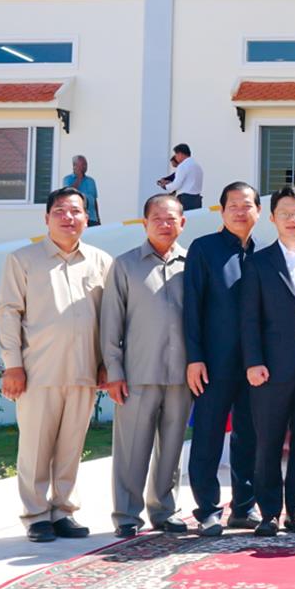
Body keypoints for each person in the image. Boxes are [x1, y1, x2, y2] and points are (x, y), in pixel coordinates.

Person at [0, 187, 113, 542]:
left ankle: (63, 511)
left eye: (76, 211)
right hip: (37, 372)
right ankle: (35, 515)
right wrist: (12, 365)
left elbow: (111, 319)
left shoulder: (100, 261)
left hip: (84, 372)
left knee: (71, 447)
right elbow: (8, 313)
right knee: (34, 446)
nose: (69, 218)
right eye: (60, 211)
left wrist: (108, 364)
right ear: (46, 218)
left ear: (87, 218)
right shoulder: (23, 260)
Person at [99, 193, 191, 538]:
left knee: (172, 447)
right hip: (138, 373)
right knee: (131, 447)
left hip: (182, 373)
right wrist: (114, 371)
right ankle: (126, 514)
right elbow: (111, 324)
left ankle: (165, 510)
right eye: (158, 219)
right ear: (145, 223)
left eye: (172, 219)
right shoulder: (125, 265)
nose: (165, 225)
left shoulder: (192, 263)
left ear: (183, 222)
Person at [241, 186, 295, 537]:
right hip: (271, 368)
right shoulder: (259, 263)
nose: (292, 219)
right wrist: (253, 361)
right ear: (273, 218)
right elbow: (248, 317)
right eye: (285, 213)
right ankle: (269, 513)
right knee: (268, 442)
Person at [184, 181, 263, 536]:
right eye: (233, 204)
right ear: (221, 210)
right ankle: (207, 510)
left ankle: (243, 508)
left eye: (247, 205)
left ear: (258, 212)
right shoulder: (204, 250)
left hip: (254, 366)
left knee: (249, 437)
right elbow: (191, 309)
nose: (240, 211)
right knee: (208, 436)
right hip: (213, 365)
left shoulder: (261, 254)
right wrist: (195, 357)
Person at [160, 143, 205, 212]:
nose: (175, 157)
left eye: (176, 155)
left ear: (180, 154)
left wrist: (165, 186)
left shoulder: (183, 166)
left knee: (183, 221)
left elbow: (177, 184)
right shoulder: (197, 166)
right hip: (197, 200)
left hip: (185, 200)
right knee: (194, 221)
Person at [63, 155, 101, 227]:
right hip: (78, 218)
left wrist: (98, 218)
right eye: (82, 164)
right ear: (74, 165)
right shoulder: (67, 179)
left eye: (86, 164)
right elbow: (68, 193)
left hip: (92, 218)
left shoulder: (91, 181)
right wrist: (79, 178)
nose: (85, 167)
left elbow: (94, 200)